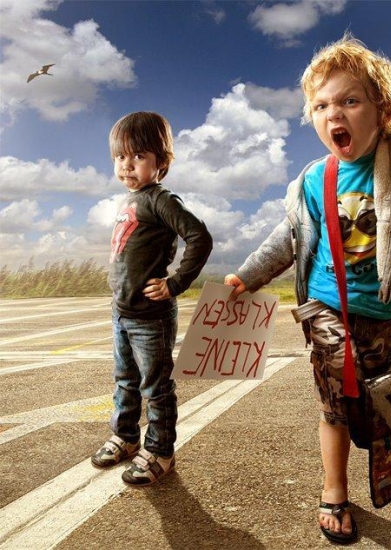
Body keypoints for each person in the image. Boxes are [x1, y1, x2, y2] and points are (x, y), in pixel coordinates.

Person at [224, 13, 391, 544]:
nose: (333, 113)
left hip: (385, 313)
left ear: (382, 111)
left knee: (386, 403)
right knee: (336, 406)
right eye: (321, 106)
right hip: (326, 309)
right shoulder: (313, 180)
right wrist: (246, 277)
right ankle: (334, 491)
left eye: (349, 101)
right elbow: (288, 239)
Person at [91, 111, 213, 486]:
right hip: (121, 313)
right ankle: (126, 437)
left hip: (150, 318)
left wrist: (175, 284)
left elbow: (200, 237)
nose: (127, 165)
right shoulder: (129, 200)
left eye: (138, 156)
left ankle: (160, 451)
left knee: (156, 388)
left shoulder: (161, 199)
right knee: (125, 380)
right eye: (120, 157)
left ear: (161, 161)